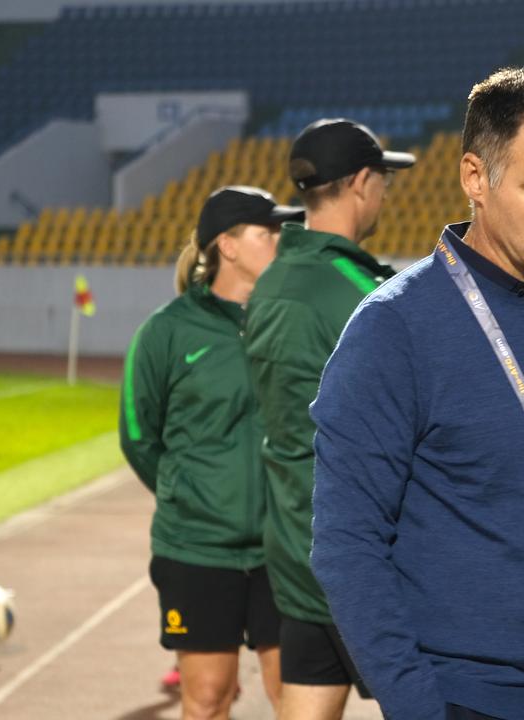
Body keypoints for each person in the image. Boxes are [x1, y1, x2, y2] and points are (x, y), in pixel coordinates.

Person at [309, 67, 524, 720]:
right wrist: (421, 708)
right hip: (472, 701)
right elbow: (347, 547)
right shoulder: (393, 330)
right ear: (474, 179)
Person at [244, 119, 414, 720]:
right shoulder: (367, 292)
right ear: (363, 182)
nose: (386, 195)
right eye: (384, 181)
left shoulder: (268, 284)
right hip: (366, 552)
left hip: (294, 546)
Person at [120, 186, 300, 720]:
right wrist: (189, 496)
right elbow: (138, 436)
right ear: (228, 245)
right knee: (206, 699)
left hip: (281, 548)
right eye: (267, 233)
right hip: (197, 550)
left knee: (296, 698)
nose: (280, 243)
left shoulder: (291, 322)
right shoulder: (166, 331)